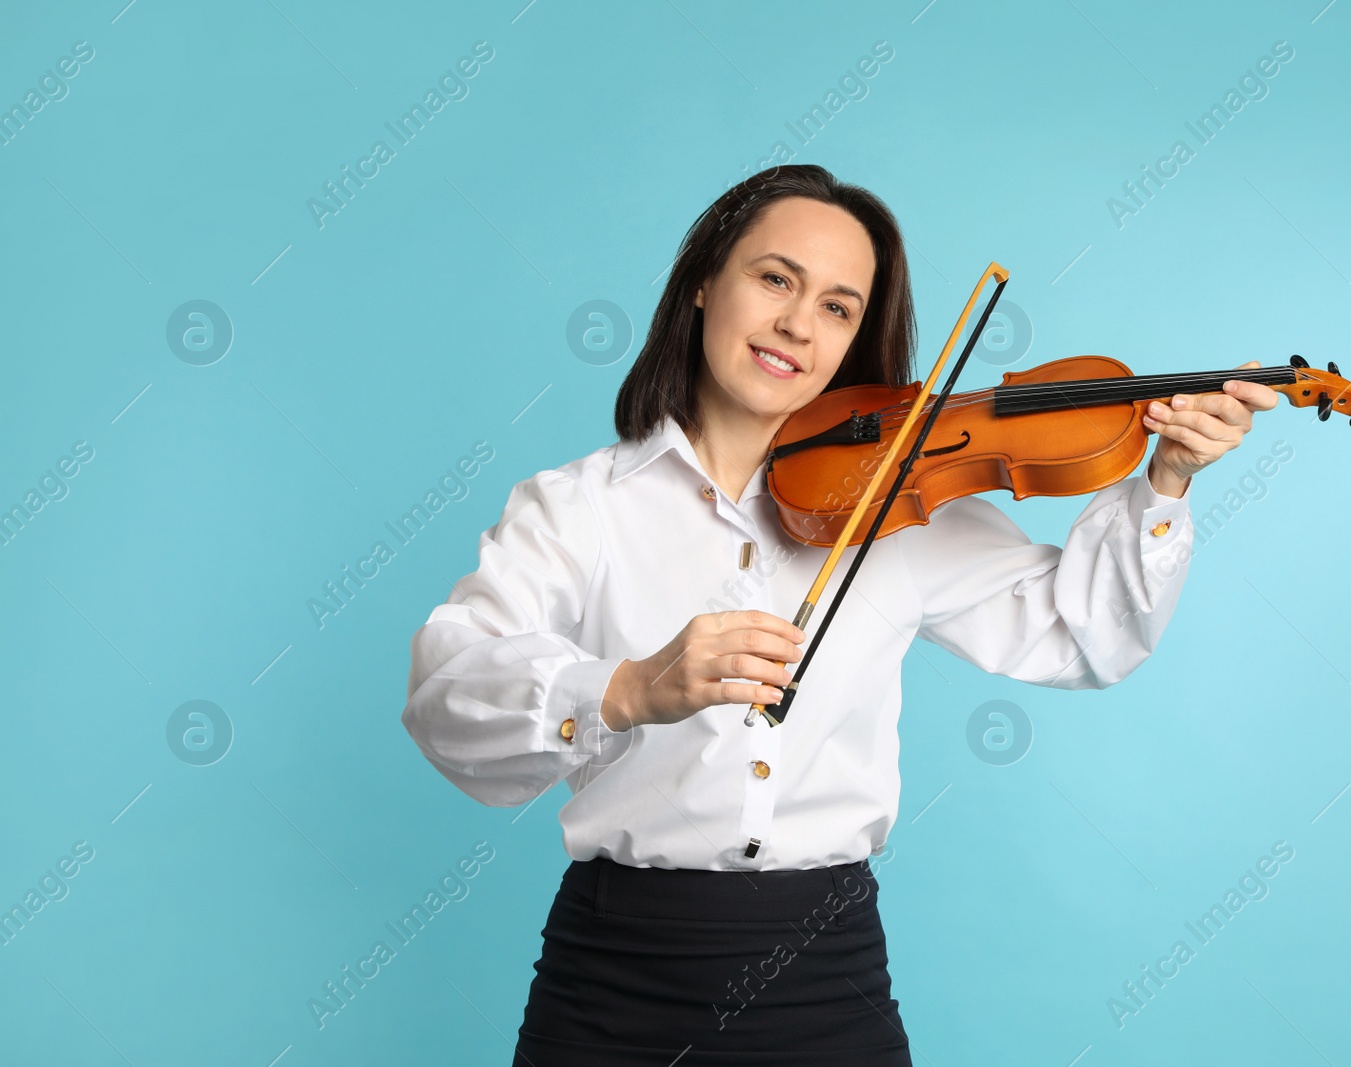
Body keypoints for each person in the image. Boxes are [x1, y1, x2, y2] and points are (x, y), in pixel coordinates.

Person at [400, 164, 1277, 1066]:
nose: (796, 324)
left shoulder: (897, 502)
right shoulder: (577, 506)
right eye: (775, 278)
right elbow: (445, 694)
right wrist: (626, 689)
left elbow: (1081, 635)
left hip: (825, 977)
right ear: (704, 281)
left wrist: (1163, 480)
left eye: (838, 307)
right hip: (614, 977)